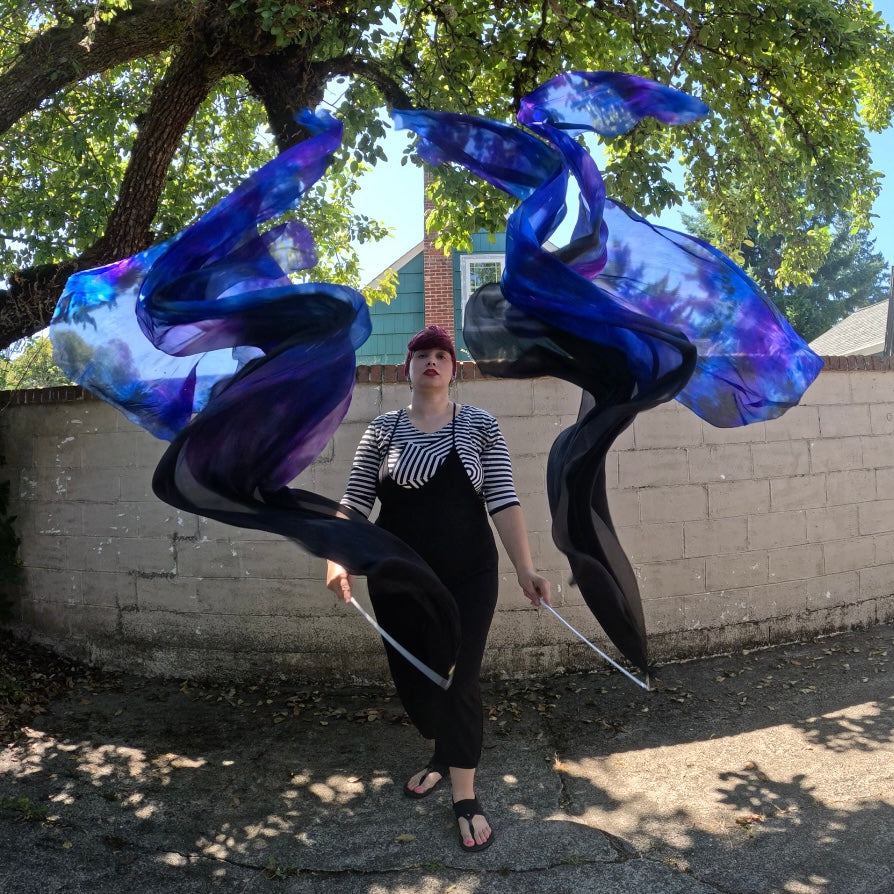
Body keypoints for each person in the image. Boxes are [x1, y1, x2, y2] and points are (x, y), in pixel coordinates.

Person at [326, 324, 551, 852]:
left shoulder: (479, 425)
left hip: (469, 576)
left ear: (454, 370)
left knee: (460, 679)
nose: (432, 361)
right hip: (398, 580)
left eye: (441, 356)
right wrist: (337, 559)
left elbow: (503, 500)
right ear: (406, 368)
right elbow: (353, 502)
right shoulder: (382, 430)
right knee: (418, 682)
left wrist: (525, 569)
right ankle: (441, 753)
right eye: (422, 354)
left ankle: (464, 795)